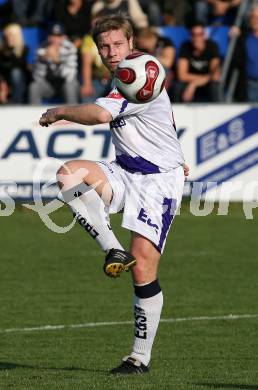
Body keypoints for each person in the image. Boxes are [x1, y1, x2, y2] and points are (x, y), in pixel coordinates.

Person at [39, 15, 188, 375]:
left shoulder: (140, 72)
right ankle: (111, 248)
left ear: (130, 41)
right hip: (125, 171)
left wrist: (59, 111)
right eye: (104, 46)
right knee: (68, 175)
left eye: (117, 44)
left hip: (157, 182)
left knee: (143, 268)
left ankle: (139, 358)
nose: (111, 52)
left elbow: (98, 113)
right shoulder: (124, 74)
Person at [29, 23, 79, 104]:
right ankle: (35, 115)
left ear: (64, 37)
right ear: (48, 37)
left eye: (58, 36)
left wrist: (57, 61)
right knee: (34, 87)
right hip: (49, 86)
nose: (55, 39)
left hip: (65, 85)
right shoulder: (41, 49)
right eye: (52, 36)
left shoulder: (70, 48)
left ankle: (73, 115)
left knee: (70, 86)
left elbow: (70, 76)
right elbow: (37, 78)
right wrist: (43, 60)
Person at [176, 22, 221, 102]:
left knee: (214, 85)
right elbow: (182, 75)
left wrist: (194, 84)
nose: (196, 38)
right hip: (190, 80)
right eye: (193, 34)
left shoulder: (212, 46)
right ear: (190, 36)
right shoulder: (185, 47)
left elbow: (215, 75)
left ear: (204, 35)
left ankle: (218, 111)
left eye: (200, 34)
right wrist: (201, 79)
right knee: (177, 86)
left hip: (205, 82)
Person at [0, 23, 29, 103]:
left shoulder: (24, 49)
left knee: (16, 73)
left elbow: (18, 65)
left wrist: (12, 51)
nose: (9, 37)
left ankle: (17, 103)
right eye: (7, 35)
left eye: (11, 35)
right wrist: (2, 82)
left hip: (19, 79)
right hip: (4, 78)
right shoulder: (2, 50)